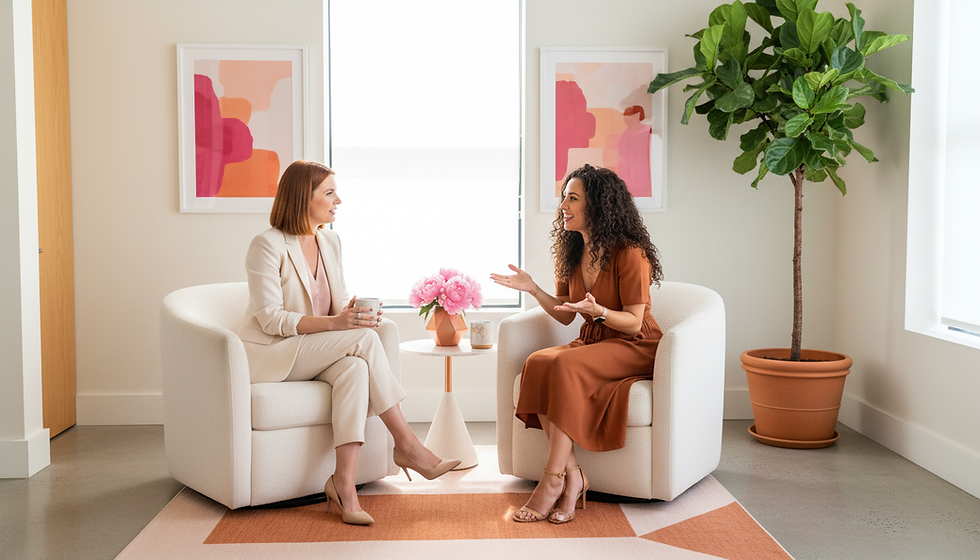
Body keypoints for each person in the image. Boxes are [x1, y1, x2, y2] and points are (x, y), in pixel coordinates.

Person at [239, 160, 460, 525]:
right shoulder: (267, 244)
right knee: (364, 341)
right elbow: (271, 319)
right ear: (301, 198)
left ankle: (344, 482)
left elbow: (334, 304)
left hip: (311, 350)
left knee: (356, 367)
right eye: (329, 193)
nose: (338, 200)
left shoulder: (330, 240)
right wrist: (339, 323)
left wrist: (352, 311)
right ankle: (408, 447)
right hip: (273, 354)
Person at [490, 163, 664, 524]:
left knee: (564, 364)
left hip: (636, 344)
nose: (563, 206)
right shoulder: (571, 252)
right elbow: (566, 314)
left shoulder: (630, 253)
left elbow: (633, 322)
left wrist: (599, 311)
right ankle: (575, 477)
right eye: (563, 198)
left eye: (573, 198)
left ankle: (551, 480)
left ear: (597, 205)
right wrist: (533, 288)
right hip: (595, 342)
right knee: (537, 362)